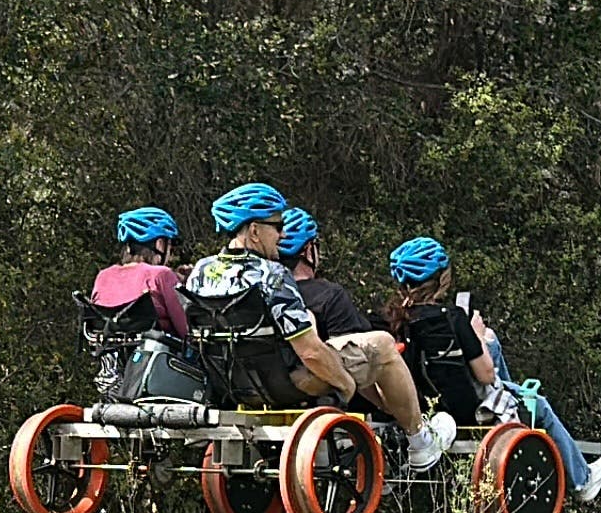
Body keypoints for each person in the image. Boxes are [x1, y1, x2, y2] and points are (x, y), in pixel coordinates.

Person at [182, 186, 454, 472]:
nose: (282, 235)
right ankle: (421, 441)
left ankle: (394, 413)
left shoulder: (201, 272)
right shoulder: (272, 275)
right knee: (383, 344)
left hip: (234, 386)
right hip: (288, 382)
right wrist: (345, 383)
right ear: (253, 231)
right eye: (277, 226)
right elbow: (310, 351)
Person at [381, 237, 601, 503]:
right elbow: (485, 375)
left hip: (419, 405)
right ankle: (582, 481)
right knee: (539, 403)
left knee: (491, 341)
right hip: (467, 409)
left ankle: (508, 393)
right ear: (441, 279)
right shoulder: (452, 317)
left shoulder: (394, 320)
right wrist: (476, 335)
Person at [277, 210, 456, 471]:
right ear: (307, 250)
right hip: (322, 384)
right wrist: (396, 409)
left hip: (271, 385)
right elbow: (366, 369)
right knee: (381, 348)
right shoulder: (329, 296)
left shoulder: (265, 293)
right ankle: (419, 439)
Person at [89, 206, 192, 338]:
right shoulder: (162, 275)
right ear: (160, 244)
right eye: (170, 245)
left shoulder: (103, 277)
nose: (171, 255)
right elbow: (186, 330)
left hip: (112, 354)